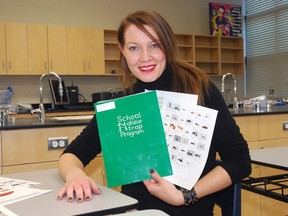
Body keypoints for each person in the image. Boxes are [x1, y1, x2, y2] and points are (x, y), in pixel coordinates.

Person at [57, 10, 251, 215]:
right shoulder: (123, 104)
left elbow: (239, 161)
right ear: (123, 51)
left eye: (154, 45)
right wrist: (75, 175)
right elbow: (71, 155)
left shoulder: (200, 90)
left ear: (167, 46)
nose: (145, 57)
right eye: (134, 48)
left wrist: (184, 196)